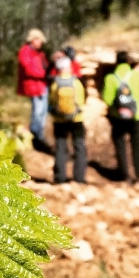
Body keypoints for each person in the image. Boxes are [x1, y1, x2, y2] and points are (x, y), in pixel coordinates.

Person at [102, 51, 139, 183]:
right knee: (137, 145)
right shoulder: (137, 75)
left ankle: (124, 174)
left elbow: (107, 99)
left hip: (118, 116)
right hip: (137, 115)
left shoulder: (110, 78)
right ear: (128, 61)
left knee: (120, 144)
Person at [49, 56, 87, 184]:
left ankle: (60, 178)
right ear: (68, 67)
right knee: (79, 147)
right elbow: (81, 100)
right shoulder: (76, 83)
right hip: (76, 120)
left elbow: (52, 101)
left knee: (60, 147)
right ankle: (79, 178)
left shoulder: (55, 84)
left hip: (59, 120)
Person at [17, 28, 51, 153]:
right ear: (33, 40)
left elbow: (44, 66)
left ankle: (39, 136)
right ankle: (36, 137)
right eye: (39, 40)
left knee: (42, 113)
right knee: (37, 113)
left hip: (41, 86)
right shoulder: (25, 52)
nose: (41, 43)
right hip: (34, 87)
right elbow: (29, 69)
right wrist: (44, 74)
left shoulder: (38, 53)